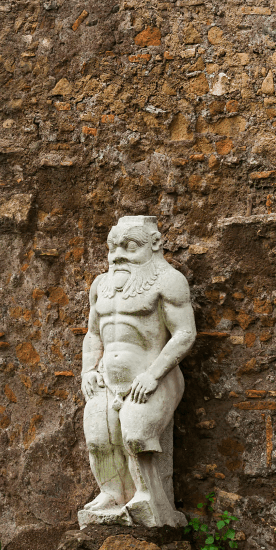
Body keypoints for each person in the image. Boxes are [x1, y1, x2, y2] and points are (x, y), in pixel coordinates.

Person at [79, 216, 196, 528]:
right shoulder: (101, 286)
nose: (118, 254)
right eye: (114, 247)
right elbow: (93, 334)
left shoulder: (168, 281)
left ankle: (149, 497)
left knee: (134, 433)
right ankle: (112, 492)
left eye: (130, 247)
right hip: (107, 379)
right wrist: (88, 370)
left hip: (153, 376)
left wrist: (153, 375)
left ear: (154, 245)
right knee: (98, 437)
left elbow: (184, 334)